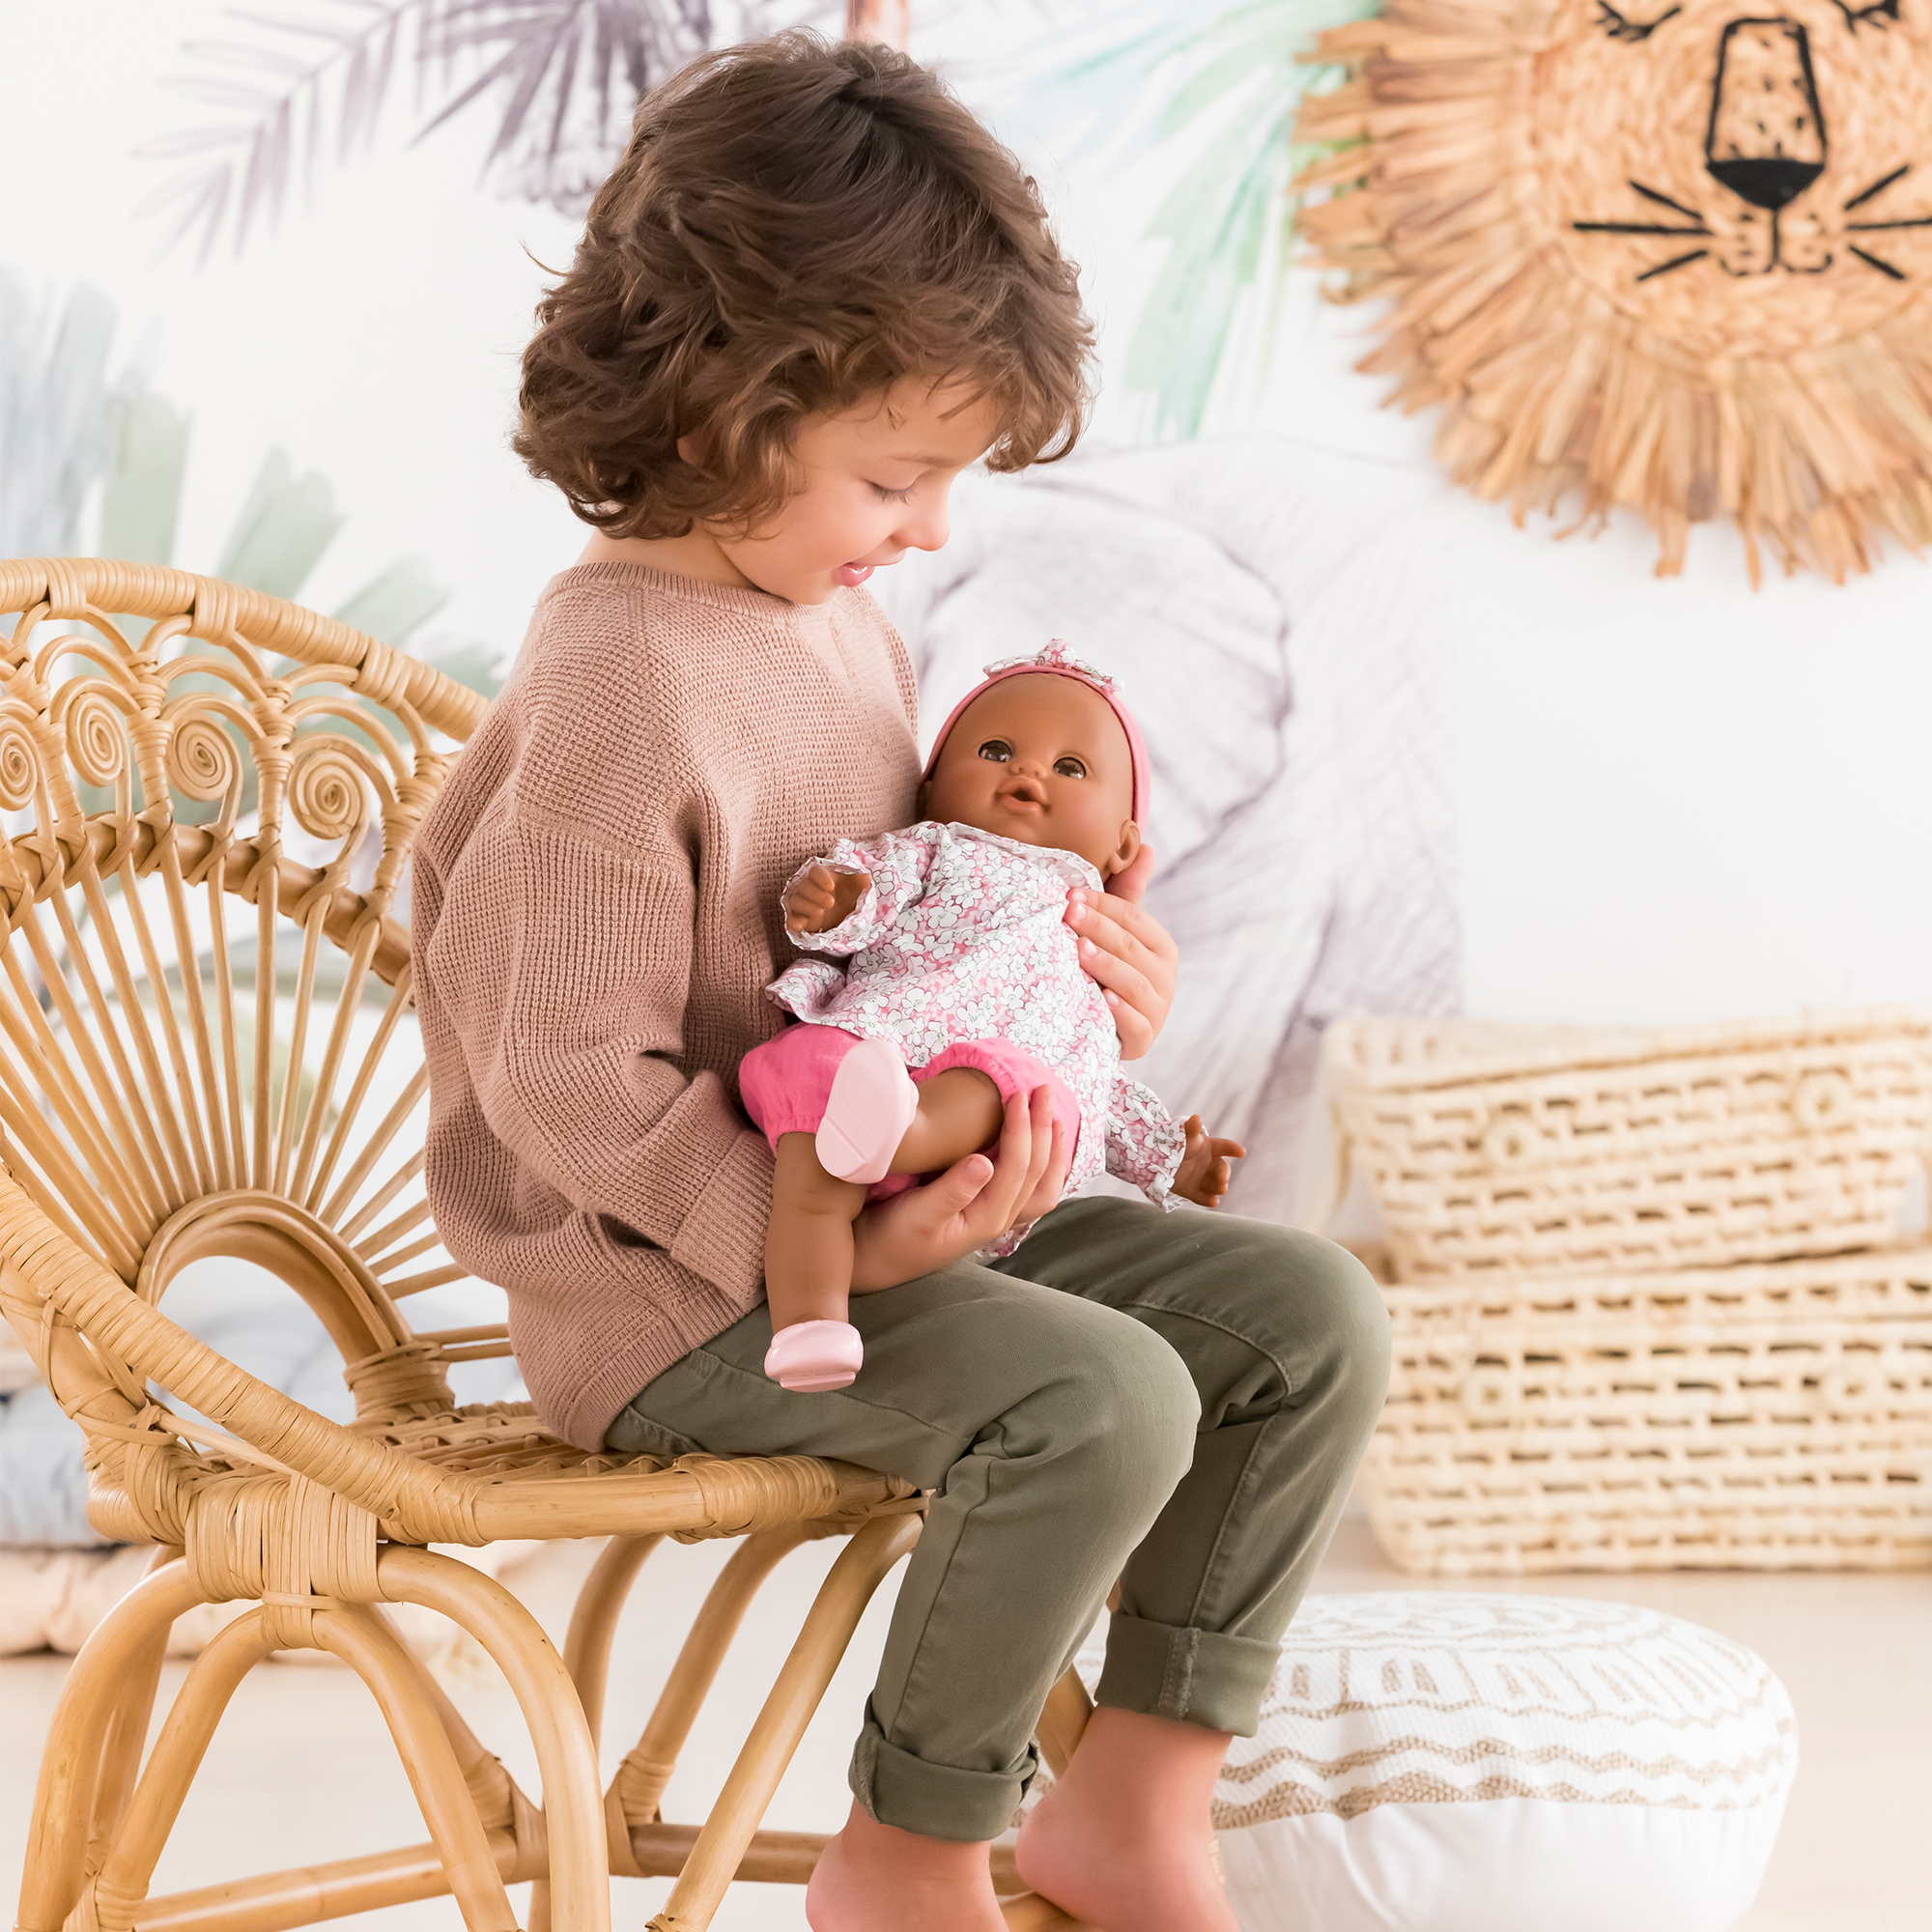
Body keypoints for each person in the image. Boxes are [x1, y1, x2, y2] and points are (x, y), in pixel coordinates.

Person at [411, 30, 1389, 1932]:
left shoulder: (839, 630)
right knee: (1104, 1400)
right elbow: (564, 1075)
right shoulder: (619, 682)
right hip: (683, 1295)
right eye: (896, 475)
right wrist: (835, 1252)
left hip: (899, 1213)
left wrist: (1078, 986)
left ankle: (1136, 1802)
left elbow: (883, 937)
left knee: (1306, 1315)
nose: (934, 527)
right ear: (724, 412)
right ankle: (913, 1850)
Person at [746, 639, 1246, 1394]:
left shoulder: (1095, 938)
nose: (1028, 773)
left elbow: (1091, 1075)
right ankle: (810, 1327)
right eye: (996, 751)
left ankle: (901, 1134)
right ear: (928, 792)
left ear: (1124, 844)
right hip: (877, 1056)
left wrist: (1172, 1159)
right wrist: (837, 899)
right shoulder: (933, 851)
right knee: (810, 1186)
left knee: (1025, 1085)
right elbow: (867, 893)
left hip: (986, 1145)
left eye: (1069, 767)